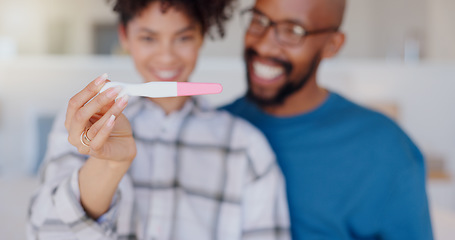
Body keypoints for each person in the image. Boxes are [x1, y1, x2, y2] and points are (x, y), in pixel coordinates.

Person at [27, 0, 289, 239]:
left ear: (201, 37)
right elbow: (46, 232)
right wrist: (111, 165)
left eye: (183, 38)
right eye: (148, 38)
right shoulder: (86, 122)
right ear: (125, 36)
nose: (166, 56)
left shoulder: (246, 146)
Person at [223, 0, 434, 239]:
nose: (264, 46)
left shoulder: (384, 149)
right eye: (258, 21)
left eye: (293, 31)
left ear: (332, 46)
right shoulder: (215, 131)